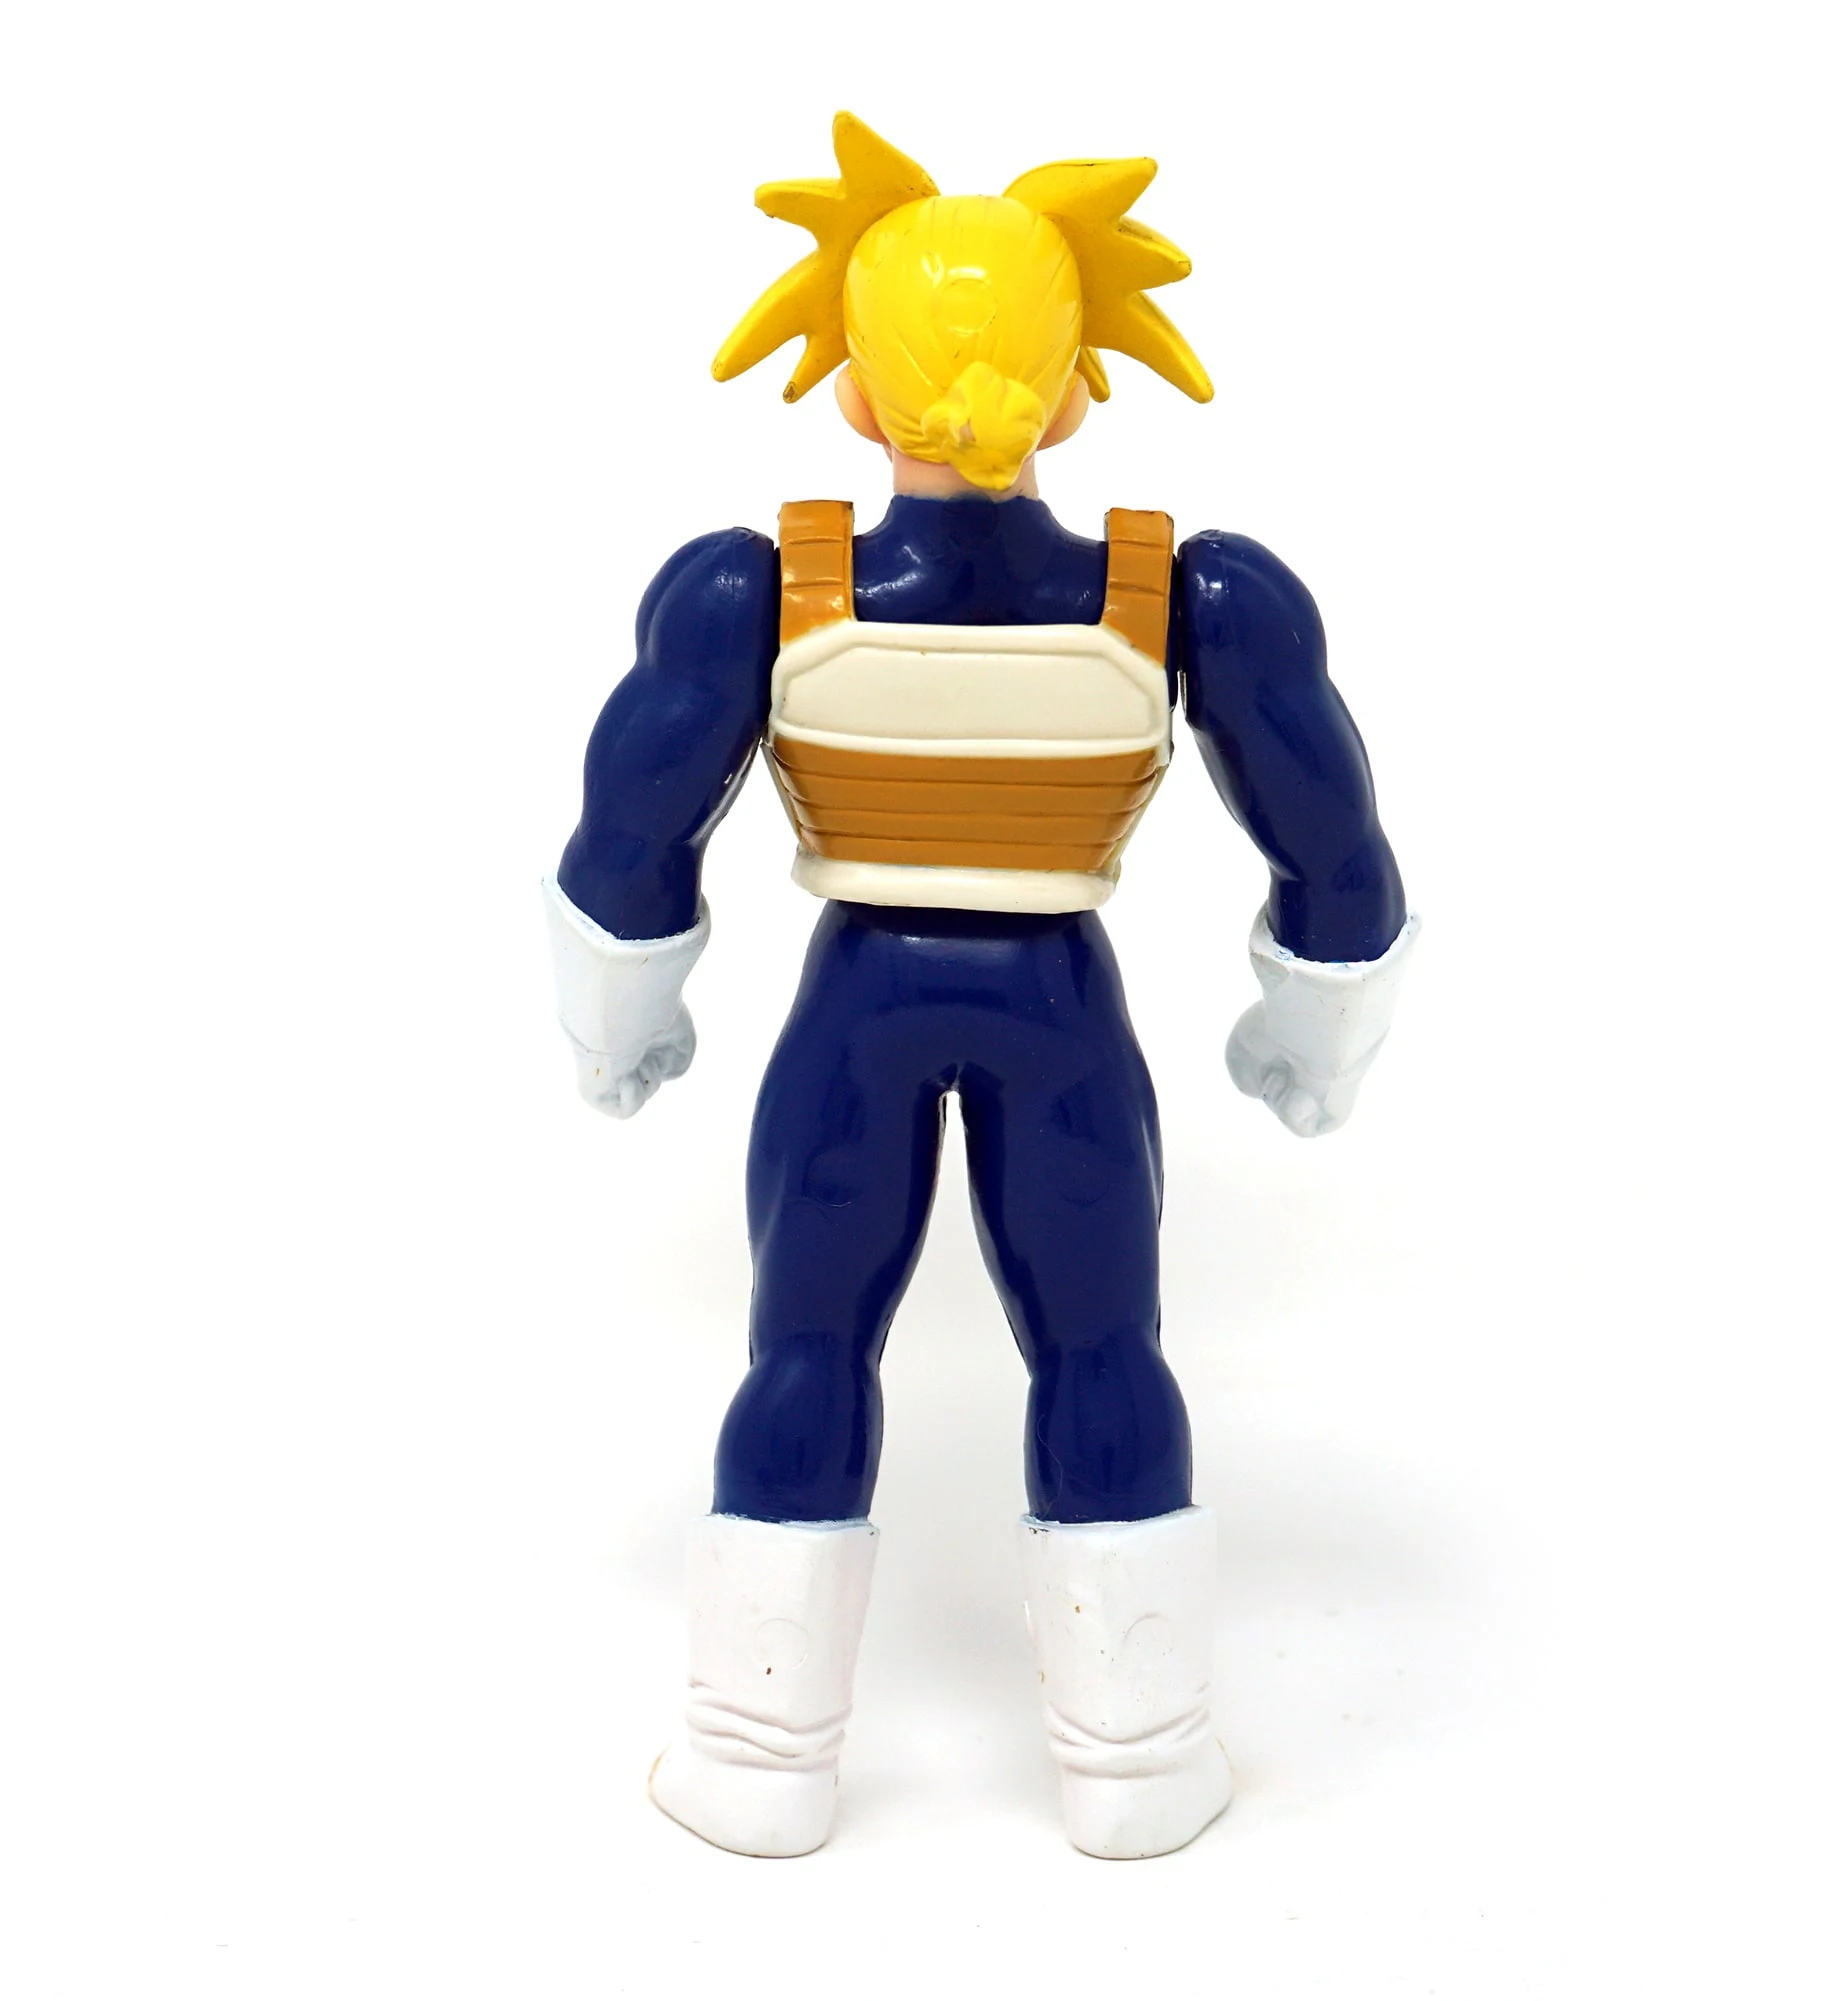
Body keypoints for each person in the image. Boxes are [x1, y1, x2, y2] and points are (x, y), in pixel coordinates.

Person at [544, 113, 1418, 1860]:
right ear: (1079, 389)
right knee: (1103, 1347)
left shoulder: (758, 592)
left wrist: (620, 1017)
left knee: (808, 1344)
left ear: (854, 395)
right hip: (1060, 1016)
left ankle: (758, 1757)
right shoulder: (1182, 597)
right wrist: (1316, 1026)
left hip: (856, 1011)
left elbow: (631, 839)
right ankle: (1141, 1761)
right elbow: (1335, 852)